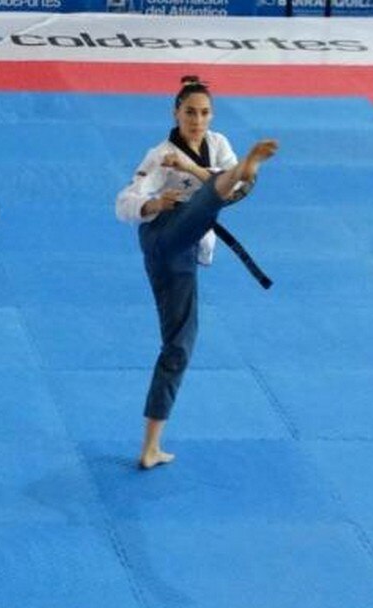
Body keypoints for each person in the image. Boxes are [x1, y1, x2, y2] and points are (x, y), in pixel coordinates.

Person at [115, 76, 278, 470]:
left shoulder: (218, 144)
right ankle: (232, 174)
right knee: (207, 200)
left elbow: (240, 191)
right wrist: (154, 203)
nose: (197, 119)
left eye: (204, 112)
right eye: (190, 111)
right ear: (176, 112)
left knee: (179, 346)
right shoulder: (159, 154)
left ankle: (150, 446)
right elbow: (123, 203)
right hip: (161, 239)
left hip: (186, 252)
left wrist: (193, 166)